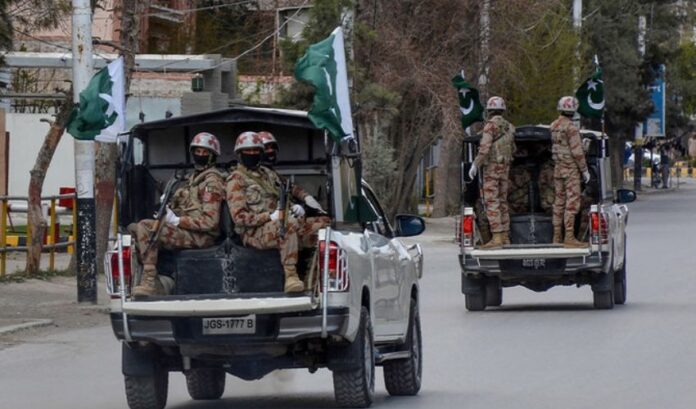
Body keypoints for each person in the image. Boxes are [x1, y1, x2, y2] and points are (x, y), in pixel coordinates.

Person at [226, 131, 328, 293]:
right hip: (254, 233)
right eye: (248, 151)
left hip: (280, 224)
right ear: (240, 154)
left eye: (255, 151)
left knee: (324, 227)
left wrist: (305, 200)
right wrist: (270, 216)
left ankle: (313, 280)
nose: (252, 154)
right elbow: (239, 218)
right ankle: (291, 276)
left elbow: (290, 188)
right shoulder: (236, 180)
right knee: (286, 225)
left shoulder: (268, 174)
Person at [130, 132, 226, 297]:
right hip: (188, 232)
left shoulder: (212, 182)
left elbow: (211, 222)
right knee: (134, 229)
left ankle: (150, 281)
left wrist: (176, 220)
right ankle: (159, 280)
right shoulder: (192, 180)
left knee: (145, 228)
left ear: (213, 156)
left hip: (202, 236)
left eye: (205, 153)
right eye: (198, 152)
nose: (200, 156)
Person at [469, 96, 516, 249]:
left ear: (489, 111)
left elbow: (484, 148)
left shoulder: (490, 126)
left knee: (491, 202)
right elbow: (513, 149)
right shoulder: (510, 127)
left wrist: (475, 164)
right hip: (505, 168)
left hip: (492, 169)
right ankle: (505, 237)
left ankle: (496, 238)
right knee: (503, 202)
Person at [550, 96, 591, 248]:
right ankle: (569, 236)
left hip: (558, 169)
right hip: (571, 170)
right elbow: (577, 152)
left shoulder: (553, 125)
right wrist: (585, 170)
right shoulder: (571, 128)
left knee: (559, 202)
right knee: (572, 203)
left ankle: (556, 236)